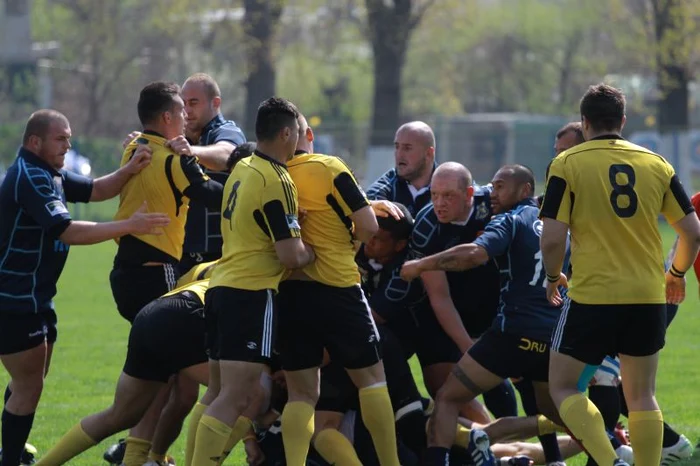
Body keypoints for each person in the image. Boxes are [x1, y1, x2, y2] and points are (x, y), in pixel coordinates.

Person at [539, 83, 700, 466]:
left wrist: (551, 277)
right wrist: (676, 273)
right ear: (623, 122)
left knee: (562, 387)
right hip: (647, 296)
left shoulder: (567, 163)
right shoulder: (656, 163)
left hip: (593, 295)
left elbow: (552, 239)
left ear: (585, 122)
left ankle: (610, 460)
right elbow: (692, 232)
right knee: (642, 394)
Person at [0, 109, 170, 466]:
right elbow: (68, 230)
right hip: (13, 298)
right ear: (35, 142)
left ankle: (10, 451)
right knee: (29, 384)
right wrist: (128, 226)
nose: (68, 145)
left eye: (69, 137)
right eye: (60, 138)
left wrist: (131, 169)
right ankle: (11, 459)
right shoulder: (29, 176)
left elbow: (95, 190)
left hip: (36, 296)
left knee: (29, 381)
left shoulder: (50, 173)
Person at [401, 165, 566, 466]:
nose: (493, 193)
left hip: (511, 329)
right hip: (550, 335)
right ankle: (602, 448)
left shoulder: (507, 218)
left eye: (501, 187)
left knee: (449, 397)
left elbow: (474, 255)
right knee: (555, 410)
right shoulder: (558, 224)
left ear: (524, 191)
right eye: (435, 195)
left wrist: (422, 264)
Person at [189, 97, 315, 466]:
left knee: (216, 393)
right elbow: (290, 254)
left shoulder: (242, 169)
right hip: (250, 295)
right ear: (287, 133)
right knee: (237, 396)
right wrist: (312, 253)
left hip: (220, 287)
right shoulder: (277, 179)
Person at [275, 113, 402, 466]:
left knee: (301, 394)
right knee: (372, 382)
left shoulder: (274, 175)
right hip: (337, 288)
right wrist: (349, 234)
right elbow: (368, 226)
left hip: (291, 291)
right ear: (309, 134)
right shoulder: (329, 166)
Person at [408, 162, 516, 420]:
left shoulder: (493, 205)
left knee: (514, 376)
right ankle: (494, 445)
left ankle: (520, 443)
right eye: (434, 195)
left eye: (448, 196)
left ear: (469, 194)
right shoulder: (425, 229)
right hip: (446, 315)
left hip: (496, 303)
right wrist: (469, 348)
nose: (439, 203)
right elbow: (440, 297)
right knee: (445, 388)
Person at [169, 73, 247, 274]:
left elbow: (227, 154)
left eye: (194, 103)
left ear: (216, 103)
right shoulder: (180, 136)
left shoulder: (226, 131)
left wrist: (190, 152)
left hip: (218, 257)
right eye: (183, 104)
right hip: (181, 255)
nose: (187, 110)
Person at [366, 121, 436, 216]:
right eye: (397, 147)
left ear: (428, 154)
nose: (399, 154)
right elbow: (369, 203)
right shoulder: (384, 189)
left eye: (407, 148)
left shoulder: (450, 187)